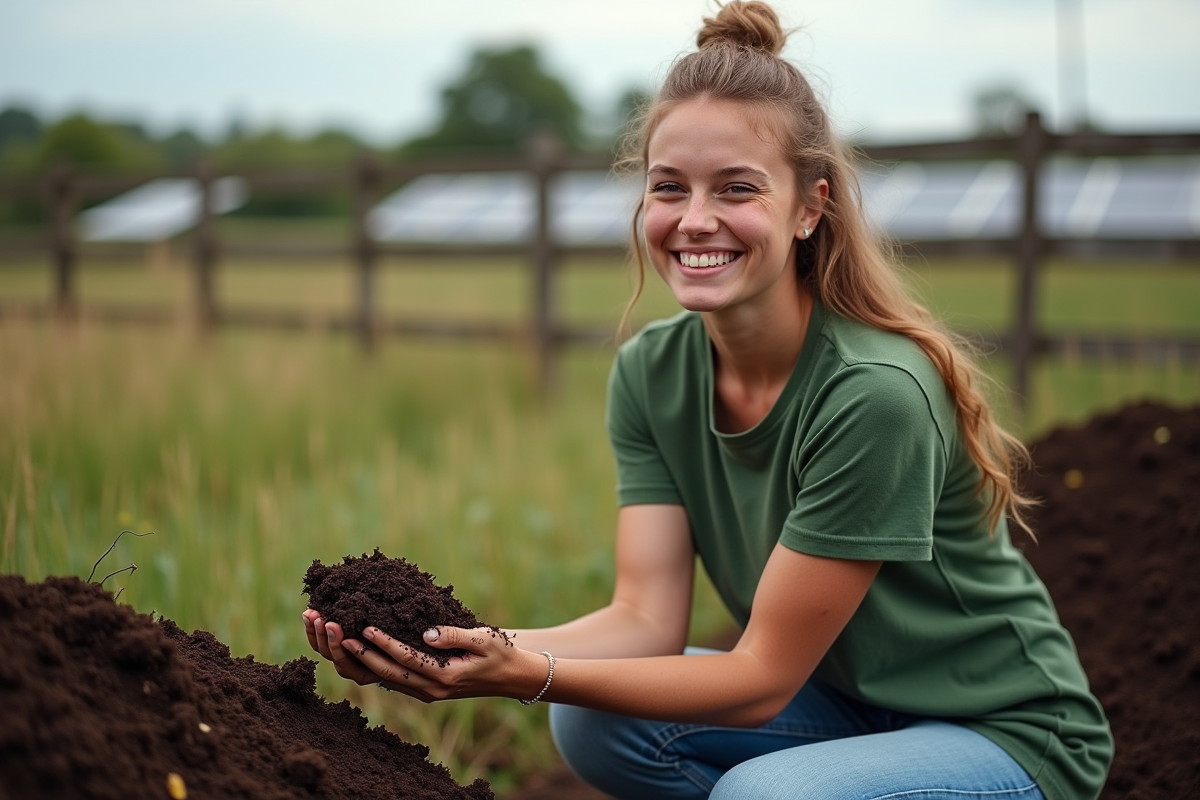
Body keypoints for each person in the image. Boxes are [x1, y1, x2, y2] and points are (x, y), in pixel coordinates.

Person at [302, 3, 1112, 798]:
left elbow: (758, 680)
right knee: (588, 720)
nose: (695, 221)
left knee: (768, 794)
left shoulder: (875, 394)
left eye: (735, 189)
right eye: (669, 188)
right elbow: (645, 621)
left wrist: (531, 673)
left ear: (809, 207)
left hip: (1002, 731)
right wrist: (467, 649)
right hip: (845, 706)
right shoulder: (653, 372)